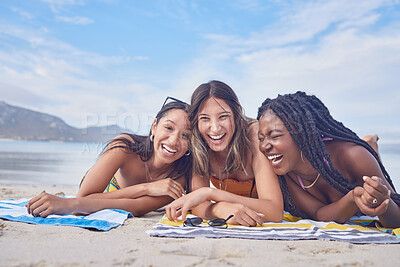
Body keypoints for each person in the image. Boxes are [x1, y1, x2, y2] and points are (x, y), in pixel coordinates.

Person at [27, 98, 192, 217]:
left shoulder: (179, 175)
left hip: (103, 198)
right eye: (168, 127)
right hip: (102, 184)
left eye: (185, 135)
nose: (174, 141)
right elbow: (83, 198)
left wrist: (75, 203)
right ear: (154, 127)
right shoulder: (125, 147)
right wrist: (146, 188)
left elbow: (137, 207)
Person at [256, 91, 400, 227]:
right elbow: (318, 213)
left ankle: (370, 143)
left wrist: (382, 203)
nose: (264, 146)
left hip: (357, 155)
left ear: (302, 135)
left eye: (275, 136)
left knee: (369, 156)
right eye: (261, 138)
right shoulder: (285, 170)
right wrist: (352, 198)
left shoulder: (353, 156)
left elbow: (397, 216)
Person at [166, 81, 283, 226]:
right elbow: (197, 204)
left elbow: (275, 212)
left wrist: (211, 193)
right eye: (205, 119)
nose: (215, 129)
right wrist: (219, 209)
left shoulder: (254, 136)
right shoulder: (199, 144)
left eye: (223, 117)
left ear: (235, 114)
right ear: (196, 121)